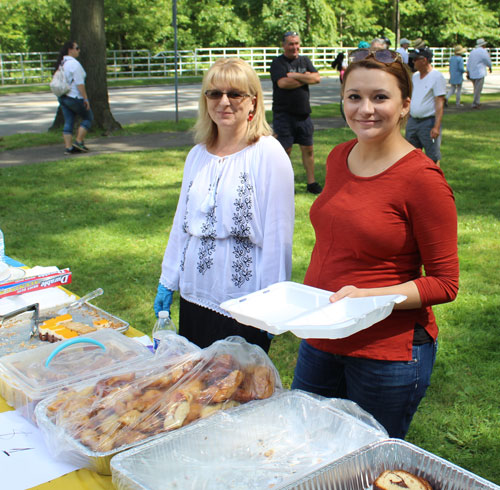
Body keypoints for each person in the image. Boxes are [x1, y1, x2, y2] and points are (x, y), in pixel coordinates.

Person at [291, 48, 459, 439]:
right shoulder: (339, 156)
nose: (365, 108)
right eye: (355, 96)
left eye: (380, 97)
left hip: (387, 353)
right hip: (322, 334)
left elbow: (445, 283)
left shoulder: (423, 180)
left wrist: (368, 296)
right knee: (304, 448)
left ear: (404, 105)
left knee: (366, 468)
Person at [154, 58, 295, 353]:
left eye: (235, 94)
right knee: (196, 387)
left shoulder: (268, 154)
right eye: (214, 93)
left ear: (253, 102)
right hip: (195, 294)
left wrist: (273, 302)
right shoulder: (197, 155)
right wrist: (168, 279)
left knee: (237, 390)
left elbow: (278, 235)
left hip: (244, 302)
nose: (224, 102)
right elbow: (182, 222)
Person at [270, 31, 322, 194]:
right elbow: (283, 83)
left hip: (304, 114)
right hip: (283, 115)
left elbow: (316, 78)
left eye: (297, 43)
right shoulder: (277, 63)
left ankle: (311, 183)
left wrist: (295, 75)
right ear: (284, 45)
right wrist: (305, 77)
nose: (295, 47)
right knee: (285, 151)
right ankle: (284, 185)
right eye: (291, 44)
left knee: (308, 149)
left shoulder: (304, 60)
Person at [405, 48, 446, 167]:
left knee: (432, 156)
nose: (413, 62)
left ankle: (435, 180)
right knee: (410, 153)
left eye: (415, 59)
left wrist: (436, 126)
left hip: (428, 122)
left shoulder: (437, 77)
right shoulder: (415, 77)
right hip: (413, 120)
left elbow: (439, 101)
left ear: (424, 60)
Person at [53, 41, 93, 155]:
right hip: (74, 96)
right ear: (70, 50)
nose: (79, 50)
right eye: (77, 48)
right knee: (88, 117)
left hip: (63, 96)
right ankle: (79, 141)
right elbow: (80, 84)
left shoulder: (62, 63)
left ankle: (68, 147)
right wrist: (85, 98)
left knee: (69, 121)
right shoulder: (74, 64)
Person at [466, 38, 493, 109]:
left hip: (472, 72)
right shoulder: (483, 52)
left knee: (476, 88)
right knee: (478, 89)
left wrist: (468, 71)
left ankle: (476, 102)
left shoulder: (473, 52)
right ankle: (475, 103)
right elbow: (487, 60)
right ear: (483, 45)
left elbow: (469, 62)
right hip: (479, 72)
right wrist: (490, 67)